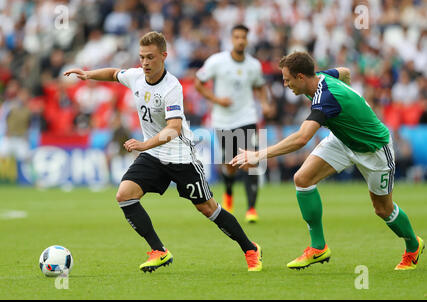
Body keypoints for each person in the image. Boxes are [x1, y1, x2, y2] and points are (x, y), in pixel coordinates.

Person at [64, 31, 262, 273]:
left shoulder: (171, 87)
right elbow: (114, 74)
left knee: (207, 208)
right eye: (142, 57)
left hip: (180, 156)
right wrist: (88, 74)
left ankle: (250, 248)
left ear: (164, 56)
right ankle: (159, 251)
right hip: (154, 155)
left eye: (150, 57)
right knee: (125, 194)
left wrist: (143, 145)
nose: (145, 63)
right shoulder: (136, 76)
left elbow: (174, 129)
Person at [231, 51, 424, 271]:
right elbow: (345, 72)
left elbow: (302, 138)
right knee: (302, 179)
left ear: (301, 77)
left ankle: (413, 245)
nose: (284, 84)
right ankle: (318, 247)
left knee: (383, 209)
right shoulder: (319, 77)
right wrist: (352, 102)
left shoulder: (325, 97)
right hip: (342, 140)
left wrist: (258, 154)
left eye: (287, 79)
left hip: (374, 150)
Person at [195, 24, 275, 223]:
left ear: (247, 40)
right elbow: (198, 82)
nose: (240, 40)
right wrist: (216, 99)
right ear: (232, 39)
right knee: (231, 164)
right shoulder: (217, 61)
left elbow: (260, 87)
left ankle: (251, 209)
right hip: (223, 119)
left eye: (243, 37)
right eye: (237, 36)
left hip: (247, 117)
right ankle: (229, 191)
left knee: (251, 160)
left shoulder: (253, 65)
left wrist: (264, 103)